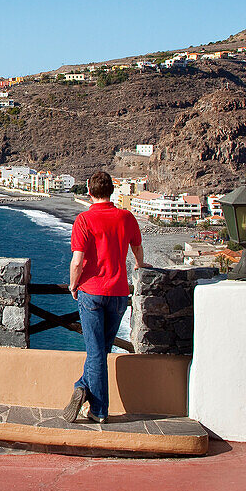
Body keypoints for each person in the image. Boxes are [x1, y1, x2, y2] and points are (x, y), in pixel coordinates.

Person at [61, 171, 149, 423]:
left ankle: (98, 409)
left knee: (96, 352)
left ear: (89, 192)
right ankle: (83, 388)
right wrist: (140, 265)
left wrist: (73, 285)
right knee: (102, 350)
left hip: (91, 292)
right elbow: (137, 248)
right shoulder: (126, 217)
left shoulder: (84, 220)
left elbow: (77, 262)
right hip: (119, 293)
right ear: (112, 191)